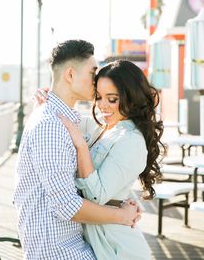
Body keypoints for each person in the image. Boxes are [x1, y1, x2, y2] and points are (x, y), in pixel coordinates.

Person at [13, 40, 141, 260]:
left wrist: (122, 202)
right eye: (92, 73)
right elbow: (67, 206)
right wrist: (121, 216)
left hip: (71, 245)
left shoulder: (60, 120)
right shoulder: (50, 126)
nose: (97, 80)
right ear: (70, 75)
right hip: (60, 253)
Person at [37, 59, 163, 260]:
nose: (102, 105)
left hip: (118, 248)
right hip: (99, 240)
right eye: (98, 97)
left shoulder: (131, 141)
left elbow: (96, 196)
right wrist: (47, 99)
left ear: (131, 97)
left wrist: (81, 147)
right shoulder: (103, 127)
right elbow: (68, 117)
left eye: (112, 99)